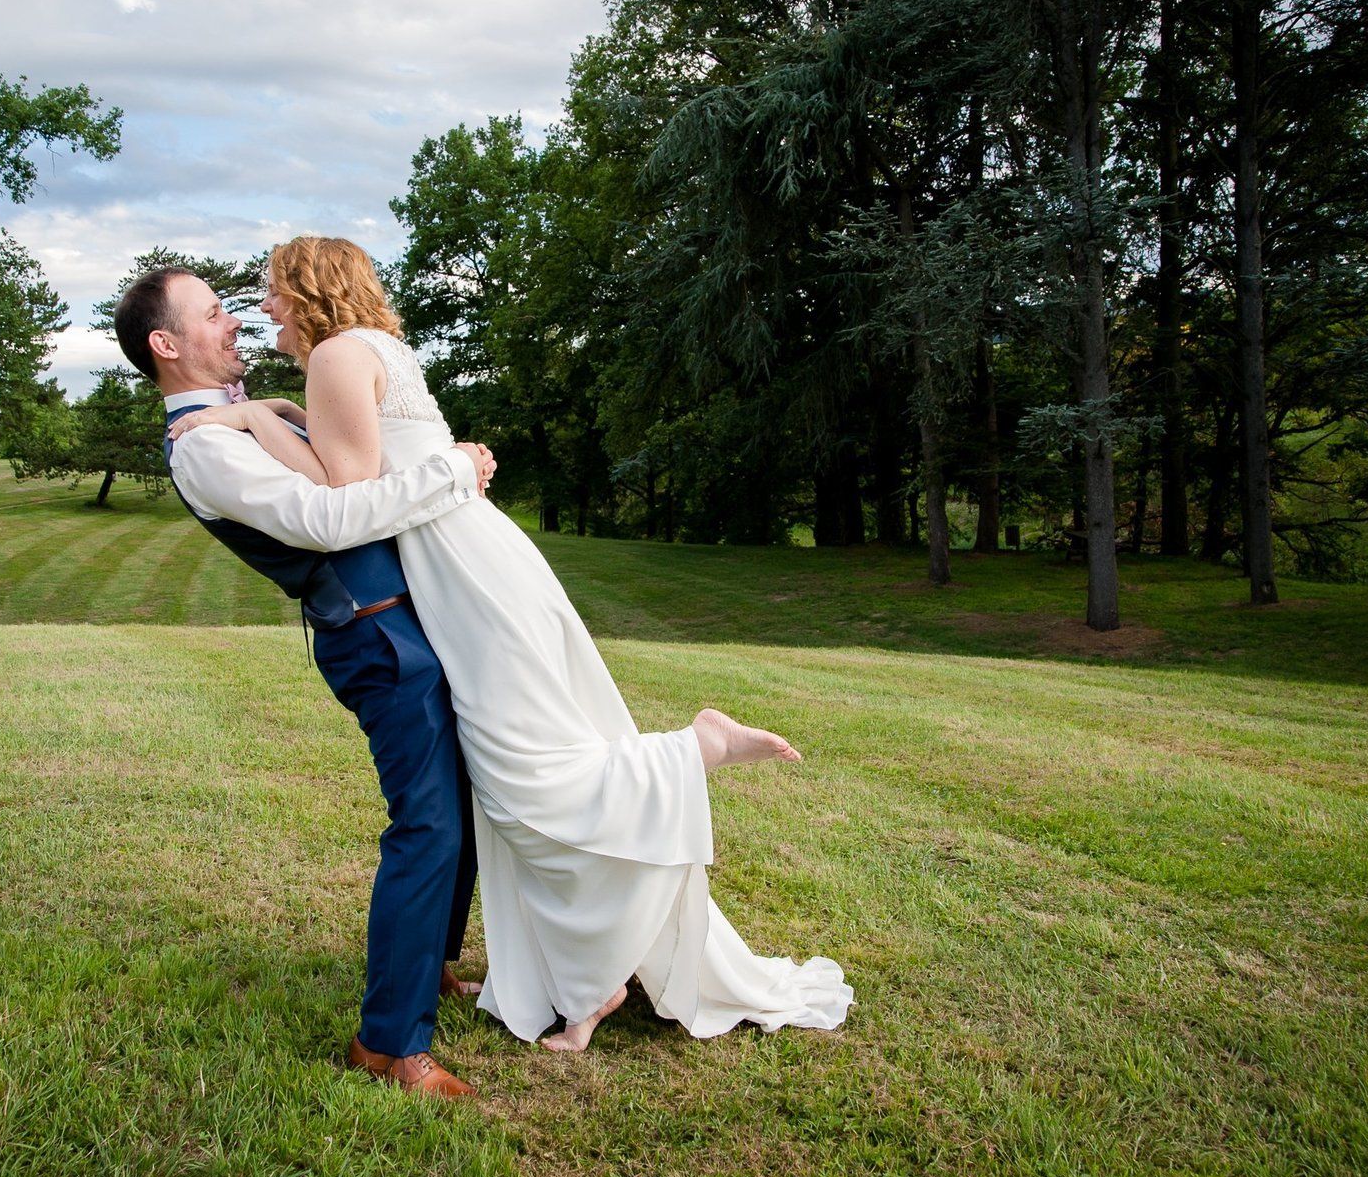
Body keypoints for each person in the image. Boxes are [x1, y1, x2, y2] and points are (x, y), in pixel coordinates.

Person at [170, 237, 852, 1053]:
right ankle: (592, 975)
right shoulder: (368, 350)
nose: (259, 311)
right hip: (475, 561)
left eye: (270, 292)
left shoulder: (334, 361)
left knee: (523, 775)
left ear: (306, 288)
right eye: (224, 307)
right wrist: (260, 414)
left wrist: (265, 416)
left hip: (459, 571)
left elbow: (346, 494)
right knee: (518, 765)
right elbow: (341, 478)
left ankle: (687, 756)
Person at [113, 266, 498, 1099]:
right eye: (214, 315)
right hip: (373, 632)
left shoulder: (245, 415)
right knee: (426, 820)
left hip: (411, 614)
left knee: (460, 801)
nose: (236, 324)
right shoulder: (207, 447)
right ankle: (389, 1045)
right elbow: (328, 520)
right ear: (165, 344)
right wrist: (451, 474)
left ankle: (424, 967)